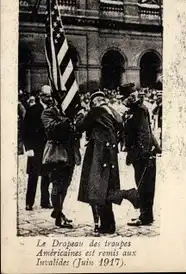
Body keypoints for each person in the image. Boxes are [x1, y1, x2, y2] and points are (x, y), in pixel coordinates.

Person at [75, 90, 140, 235]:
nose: (92, 105)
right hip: (110, 156)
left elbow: (80, 126)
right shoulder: (112, 111)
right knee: (105, 188)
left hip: (98, 155)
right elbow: (120, 127)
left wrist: (80, 113)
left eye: (92, 103)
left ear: (96, 102)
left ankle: (128, 194)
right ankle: (108, 225)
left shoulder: (96, 111)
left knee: (97, 190)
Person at [120, 83, 160, 226]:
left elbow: (144, 132)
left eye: (125, 98)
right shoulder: (134, 110)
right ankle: (146, 214)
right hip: (140, 153)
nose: (123, 102)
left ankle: (145, 217)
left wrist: (144, 152)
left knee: (145, 185)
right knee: (143, 183)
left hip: (143, 154)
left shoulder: (139, 110)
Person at [40, 85, 80, 229]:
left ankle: (59, 212)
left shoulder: (70, 112)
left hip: (70, 153)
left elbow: (75, 132)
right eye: (62, 95)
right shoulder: (47, 113)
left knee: (65, 186)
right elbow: (52, 129)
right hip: (56, 153)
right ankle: (58, 215)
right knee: (57, 185)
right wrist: (67, 120)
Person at [23, 92, 52, 210]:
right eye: (46, 96)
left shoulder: (52, 110)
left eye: (50, 96)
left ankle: (45, 201)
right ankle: (29, 202)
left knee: (46, 175)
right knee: (33, 176)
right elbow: (25, 129)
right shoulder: (32, 110)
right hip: (35, 148)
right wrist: (28, 147)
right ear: (40, 96)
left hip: (47, 147)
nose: (49, 98)